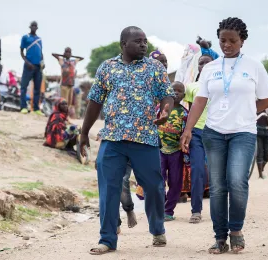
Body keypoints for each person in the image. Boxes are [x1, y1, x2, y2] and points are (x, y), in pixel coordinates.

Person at [79, 26, 174, 255]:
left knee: (153, 187)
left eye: (145, 41)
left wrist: (166, 110)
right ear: (123, 44)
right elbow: (95, 102)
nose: (144, 45)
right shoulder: (107, 67)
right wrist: (83, 133)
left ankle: (157, 228)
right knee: (109, 188)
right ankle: (108, 239)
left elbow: (167, 94)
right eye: (138, 41)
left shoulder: (155, 67)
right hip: (113, 138)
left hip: (145, 138)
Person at [180, 17, 268, 254]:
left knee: (237, 183)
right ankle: (220, 237)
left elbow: (266, 99)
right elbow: (199, 101)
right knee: (219, 186)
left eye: (232, 40)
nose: (227, 45)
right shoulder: (210, 68)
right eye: (223, 40)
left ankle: (236, 231)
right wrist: (188, 129)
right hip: (213, 133)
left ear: (242, 41)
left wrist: (248, 113)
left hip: (243, 133)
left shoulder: (254, 66)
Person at [183, 54, 214, 224]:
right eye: (200, 63)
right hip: (196, 133)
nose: (203, 65)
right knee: (197, 171)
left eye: (207, 62)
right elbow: (189, 111)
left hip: (216, 132)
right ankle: (196, 210)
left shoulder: (219, 85)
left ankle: (222, 210)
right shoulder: (192, 87)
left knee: (218, 171)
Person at [158, 81, 187, 221]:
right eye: (173, 90)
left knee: (175, 182)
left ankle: (169, 210)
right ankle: (160, 205)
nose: (176, 93)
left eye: (179, 91)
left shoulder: (184, 113)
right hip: (160, 150)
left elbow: (187, 133)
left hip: (176, 152)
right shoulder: (159, 109)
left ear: (184, 95)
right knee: (158, 180)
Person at [20, 21, 44, 115]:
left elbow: (41, 52)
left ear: (37, 28)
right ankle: (23, 107)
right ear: (30, 27)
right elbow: (21, 52)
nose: (34, 27)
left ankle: (36, 109)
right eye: (32, 26)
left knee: (37, 88)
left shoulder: (39, 39)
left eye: (35, 26)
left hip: (38, 67)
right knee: (23, 87)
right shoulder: (25, 37)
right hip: (28, 66)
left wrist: (43, 62)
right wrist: (27, 62)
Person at [52, 47, 84, 117]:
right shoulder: (62, 61)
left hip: (71, 85)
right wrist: (63, 55)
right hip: (64, 85)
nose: (68, 53)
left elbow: (82, 58)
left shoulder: (73, 62)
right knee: (63, 102)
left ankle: (66, 116)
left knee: (69, 103)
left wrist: (71, 56)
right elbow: (53, 54)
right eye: (67, 52)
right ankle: (62, 116)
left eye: (69, 52)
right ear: (64, 53)